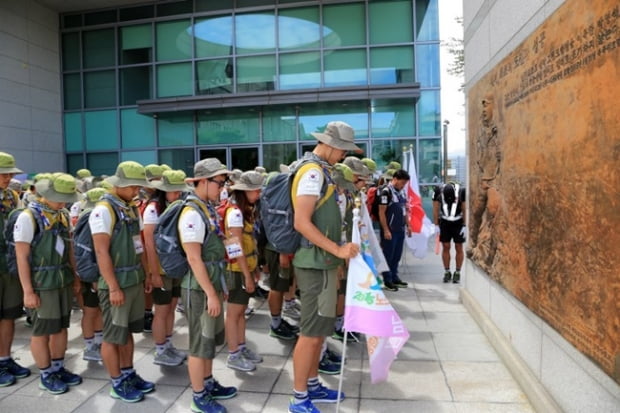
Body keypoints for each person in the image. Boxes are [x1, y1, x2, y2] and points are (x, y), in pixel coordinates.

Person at [289, 121, 360, 413]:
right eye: (342, 149)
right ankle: (298, 396)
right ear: (329, 144)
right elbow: (301, 222)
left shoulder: (323, 171)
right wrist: (338, 250)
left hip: (324, 263)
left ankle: (313, 384)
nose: (343, 155)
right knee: (309, 333)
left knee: (320, 331)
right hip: (315, 264)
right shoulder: (312, 172)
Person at [89, 161, 155, 402]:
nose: (137, 190)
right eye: (133, 186)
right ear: (121, 184)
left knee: (127, 332)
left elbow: (139, 244)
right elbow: (101, 252)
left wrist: (146, 273)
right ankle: (116, 381)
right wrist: (113, 286)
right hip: (116, 284)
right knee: (112, 334)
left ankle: (128, 373)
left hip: (134, 279)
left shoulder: (129, 207)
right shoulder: (103, 210)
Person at [14, 174, 83, 394]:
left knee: (61, 327)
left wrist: (75, 276)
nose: (64, 202)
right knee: (42, 330)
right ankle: (46, 373)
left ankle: (58, 366)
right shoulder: (28, 217)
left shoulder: (61, 214)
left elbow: (69, 248)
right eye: (60, 197)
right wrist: (28, 291)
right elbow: (21, 256)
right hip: (42, 283)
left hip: (62, 279)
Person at [181, 158, 237, 413]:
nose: (222, 187)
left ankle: (208, 381)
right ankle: (198, 395)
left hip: (211, 283)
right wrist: (211, 294)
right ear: (202, 181)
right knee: (198, 343)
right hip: (200, 289)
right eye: (219, 182)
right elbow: (193, 258)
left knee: (210, 340)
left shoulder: (207, 208)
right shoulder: (192, 213)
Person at [143, 170, 192, 367]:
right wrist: (154, 273)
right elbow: (149, 243)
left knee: (171, 307)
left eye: (180, 190)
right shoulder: (153, 209)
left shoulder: (179, 206)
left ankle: (168, 343)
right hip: (161, 270)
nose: (178, 194)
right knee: (162, 310)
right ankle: (160, 349)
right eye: (174, 191)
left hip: (175, 267)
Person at [222, 171, 264, 372]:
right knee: (234, 313)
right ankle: (233, 354)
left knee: (240, 313)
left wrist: (253, 270)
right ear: (244, 191)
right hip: (236, 270)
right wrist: (248, 275)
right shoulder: (235, 213)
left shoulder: (243, 210)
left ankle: (241, 347)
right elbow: (235, 246)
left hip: (243, 268)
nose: (259, 193)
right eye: (255, 190)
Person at [0, 152, 31, 387]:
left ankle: (4, 358)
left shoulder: (12, 196)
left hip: (8, 265)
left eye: (10, 173)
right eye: (4, 173)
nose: (8, 177)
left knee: (9, 314)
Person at [76, 187, 107, 362]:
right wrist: (94, 276)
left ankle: (98, 342)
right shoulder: (90, 217)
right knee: (90, 311)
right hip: (91, 272)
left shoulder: (87, 215)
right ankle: (90, 347)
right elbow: (89, 249)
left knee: (97, 310)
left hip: (93, 271)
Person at [378, 169, 411, 291]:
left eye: (405, 184)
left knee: (397, 255)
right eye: (402, 183)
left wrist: (408, 225)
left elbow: (404, 210)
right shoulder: (386, 192)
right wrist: (386, 230)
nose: (403, 186)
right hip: (390, 230)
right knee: (388, 255)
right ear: (395, 179)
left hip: (400, 229)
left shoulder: (401, 192)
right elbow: (381, 212)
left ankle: (394, 277)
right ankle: (387, 280)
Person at [433, 182, 467, 283]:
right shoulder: (437, 190)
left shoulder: (462, 191)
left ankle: (457, 272)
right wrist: (436, 225)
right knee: (446, 246)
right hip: (444, 222)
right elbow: (435, 208)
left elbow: (465, 209)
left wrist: (465, 225)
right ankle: (447, 271)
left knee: (458, 246)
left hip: (458, 222)